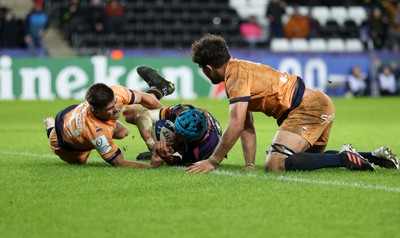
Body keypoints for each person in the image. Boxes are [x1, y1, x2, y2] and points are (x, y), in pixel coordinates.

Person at [186, 34, 399, 173]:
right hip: (317, 102)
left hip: (308, 108)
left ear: (208, 68)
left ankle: (345, 158)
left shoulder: (236, 78)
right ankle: (374, 156)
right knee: (302, 161)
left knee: (275, 163)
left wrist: (212, 161)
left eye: (201, 69)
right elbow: (246, 124)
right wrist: (249, 164)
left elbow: (236, 125)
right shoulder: (241, 69)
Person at [43, 66, 176, 168]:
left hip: (72, 113)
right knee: (79, 161)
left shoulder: (115, 93)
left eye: (115, 104)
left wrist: (167, 118)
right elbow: (120, 162)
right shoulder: (96, 132)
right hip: (66, 144)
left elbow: (144, 98)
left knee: (126, 122)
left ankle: (160, 88)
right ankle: (50, 127)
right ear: (96, 111)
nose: (116, 109)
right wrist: (151, 167)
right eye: (110, 109)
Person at [123, 101, 223, 168]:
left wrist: (168, 158)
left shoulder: (199, 152)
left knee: (164, 130)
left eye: (179, 133)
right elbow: (142, 115)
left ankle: (163, 150)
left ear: (188, 140)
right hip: (192, 135)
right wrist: (152, 144)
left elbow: (181, 164)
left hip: (206, 146)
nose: (174, 133)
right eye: (176, 128)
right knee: (129, 112)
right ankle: (159, 89)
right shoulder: (181, 112)